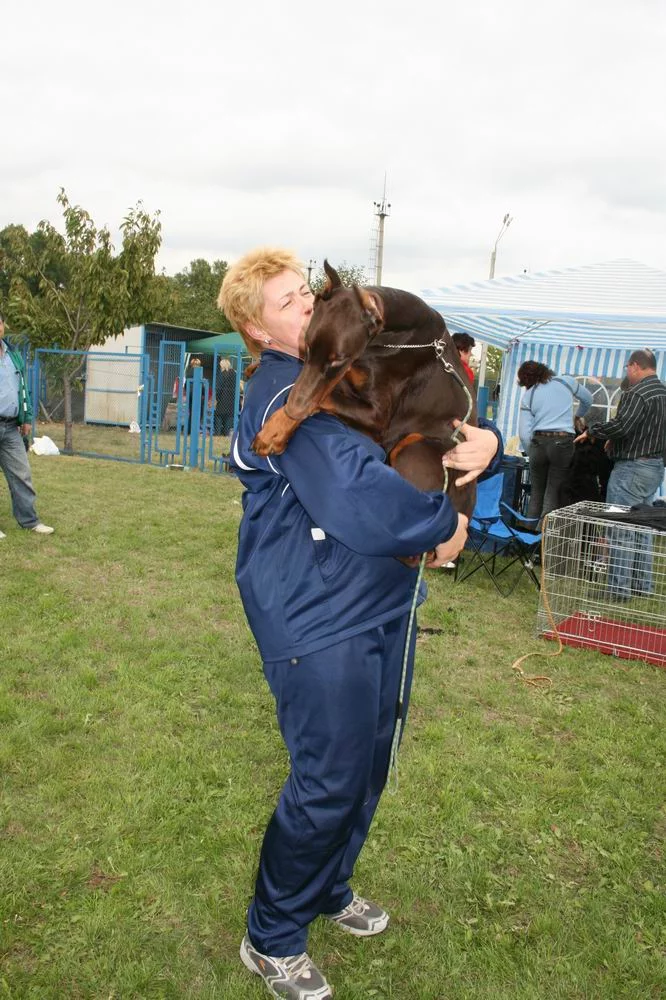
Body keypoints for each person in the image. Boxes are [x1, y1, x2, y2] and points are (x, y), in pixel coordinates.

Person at [218, 248, 501, 1000]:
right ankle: (272, 936)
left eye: (303, 291)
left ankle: (327, 887)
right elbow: (356, 496)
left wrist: (491, 446)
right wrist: (444, 524)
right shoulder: (284, 394)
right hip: (317, 613)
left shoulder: (349, 362)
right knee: (329, 779)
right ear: (257, 329)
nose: (305, 305)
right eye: (285, 303)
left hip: (381, 601)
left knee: (368, 767)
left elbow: (428, 415)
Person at [576, 349, 666, 598]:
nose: (626, 371)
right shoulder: (663, 392)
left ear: (635, 366)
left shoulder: (636, 393)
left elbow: (622, 425)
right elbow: (640, 430)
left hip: (631, 469)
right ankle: (642, 586)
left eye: (627, 367)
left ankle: (618, 589)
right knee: (643, 526)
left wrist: (593, 431)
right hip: (654, 467)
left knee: (620, 526)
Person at [0, 312, 54, 538]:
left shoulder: (12, 355)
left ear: (3, 325)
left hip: (11, 425)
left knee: (21, 474)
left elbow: (22, 388)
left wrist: (26, 417)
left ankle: (30, 521)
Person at [518, 360, 593, 522]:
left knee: (536, 492)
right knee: (553, 491)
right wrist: (578, 416)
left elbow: (524, 434)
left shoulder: (528, 396)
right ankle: (544, 535)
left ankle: (528, 533)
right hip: (562, 442)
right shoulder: (566, 381)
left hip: (538, 443)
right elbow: (588, 399)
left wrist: (532, 453)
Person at [213, 358, 236, 436]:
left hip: (222, 400)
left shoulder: (222, 374)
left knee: (218, 416)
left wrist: (217, 398)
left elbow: (218, 388)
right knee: (229, 418)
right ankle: (226, 434)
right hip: (232, 400)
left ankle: (218, 433)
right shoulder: (234, 374)